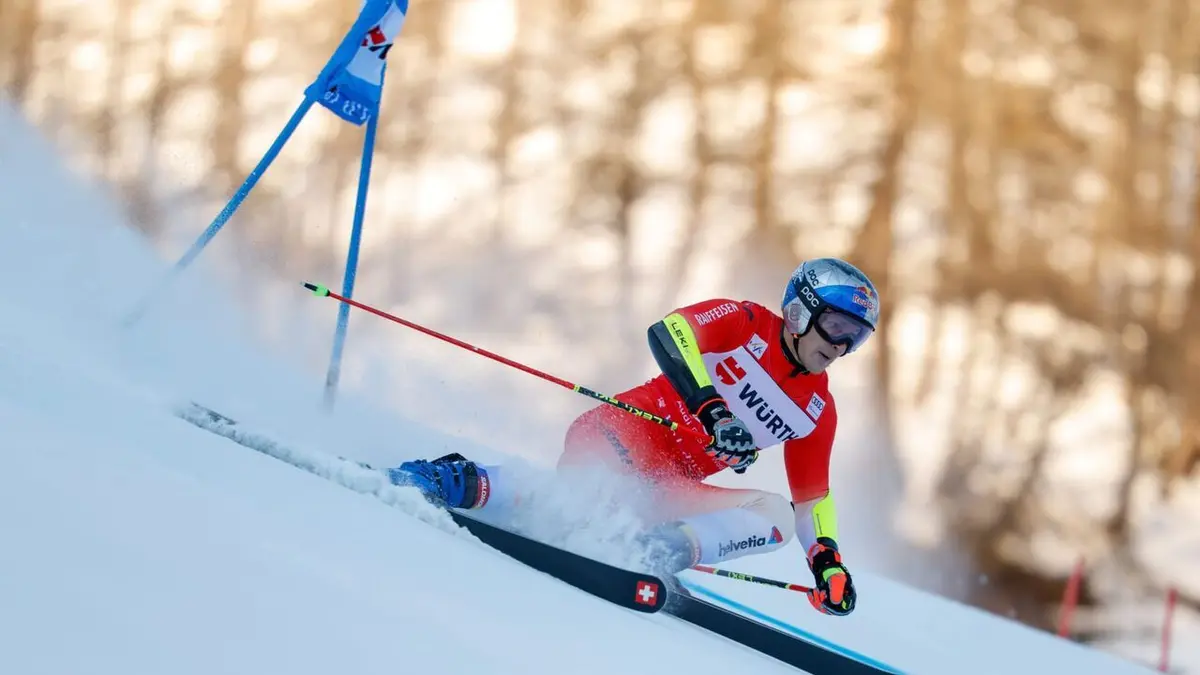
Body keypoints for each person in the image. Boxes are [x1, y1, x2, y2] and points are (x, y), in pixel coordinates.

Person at [386, 257, 879, 617]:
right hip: (618, 436)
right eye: (835, 326)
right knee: (595, 497)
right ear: (798, 312)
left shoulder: (818, 408)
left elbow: (812, 497)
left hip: (666, 490)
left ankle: (657, 551)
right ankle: (458, 480)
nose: (840, 346)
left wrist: (826, 561)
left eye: (854, 338)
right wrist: (712, 411)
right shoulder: (746, 322)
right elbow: (671, 332)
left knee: (773, 513)